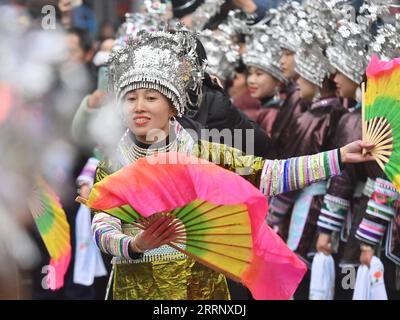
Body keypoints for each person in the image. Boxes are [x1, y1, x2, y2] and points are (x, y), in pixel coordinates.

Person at [90, 30, 374, 300]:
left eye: (151, 98)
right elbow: (102, 225)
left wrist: (337, 157)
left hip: (200, 287)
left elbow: (269, 174)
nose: (139, 107)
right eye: (130, 98)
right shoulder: (115, 164)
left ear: (173, 106)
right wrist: (135, 245)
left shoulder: (203, 155)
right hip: (136, 286)